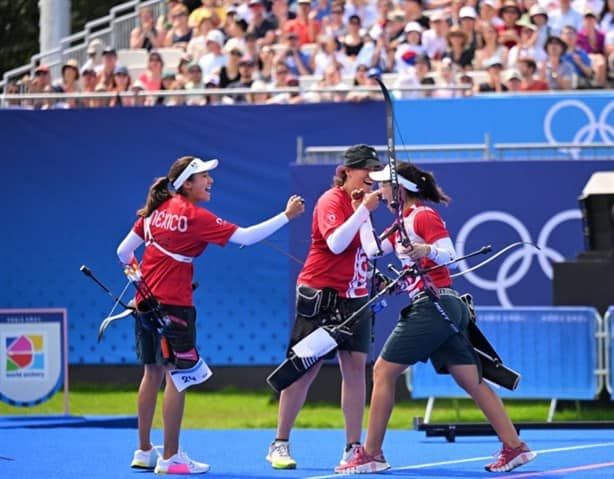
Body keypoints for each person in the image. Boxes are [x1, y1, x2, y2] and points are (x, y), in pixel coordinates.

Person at [335, 161, 536, 475]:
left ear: (399, 189)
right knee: (469, 379)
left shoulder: (423, 216)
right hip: (442, 307)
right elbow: (373, 251)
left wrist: (423, 248)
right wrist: (362, 211)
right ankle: (515, 447)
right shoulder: (401, 221)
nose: (379, 190)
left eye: (384, 185)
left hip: (435, 305)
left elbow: (450, 256)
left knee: (384, 371)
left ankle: (371, 453)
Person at [117, 156, 304, 475]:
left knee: (152, 374)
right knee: (179, 377)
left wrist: (138, 278)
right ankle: (171, 457)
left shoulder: (153, 214)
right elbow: (245, 237)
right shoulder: (191, 215)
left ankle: (145, 450)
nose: (210, 181)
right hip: (174, 308)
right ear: (187, 183)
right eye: (204, 176)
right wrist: (287, 216)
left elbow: (122, 252)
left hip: (145, 305)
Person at [266, 144, 383, 471]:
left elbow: (370, 249)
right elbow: (335, 243)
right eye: (366, 170)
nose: (371, 177)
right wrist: (363, 211)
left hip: (355, 297)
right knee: (304, 369)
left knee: (356, 370)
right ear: (346, 172)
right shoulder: (331, 200)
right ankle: (279, 442)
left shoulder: (362, 203)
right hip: (322, 297)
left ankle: (352, 448)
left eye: (375, 171)